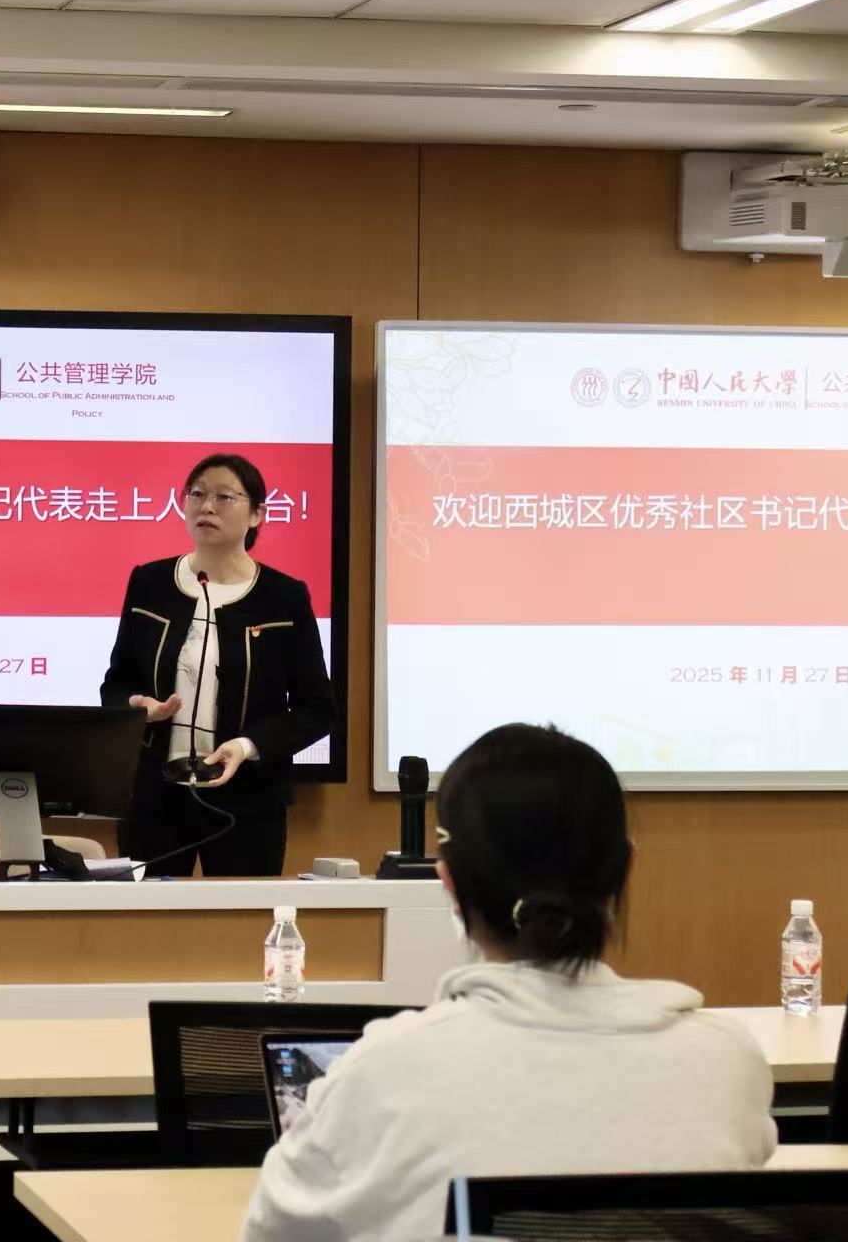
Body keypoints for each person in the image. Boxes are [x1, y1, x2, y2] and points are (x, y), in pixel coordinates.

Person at [239, 724, 777, 1241]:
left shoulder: (380, 1071)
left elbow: (270, 1233)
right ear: (626, 867)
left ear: (449, 882)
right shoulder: (728, 1061)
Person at [99, 453, 333, 876]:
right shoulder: (149, 583)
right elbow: (116, 684)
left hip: (248, 804)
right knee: (145, 916)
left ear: (257, 514)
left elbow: (317, 709)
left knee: (242, 916)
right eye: (197, 494)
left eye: (225, 496)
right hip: (154, 799)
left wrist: (247, 746)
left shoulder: (284, 597)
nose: (207, 506)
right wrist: (138, 707)